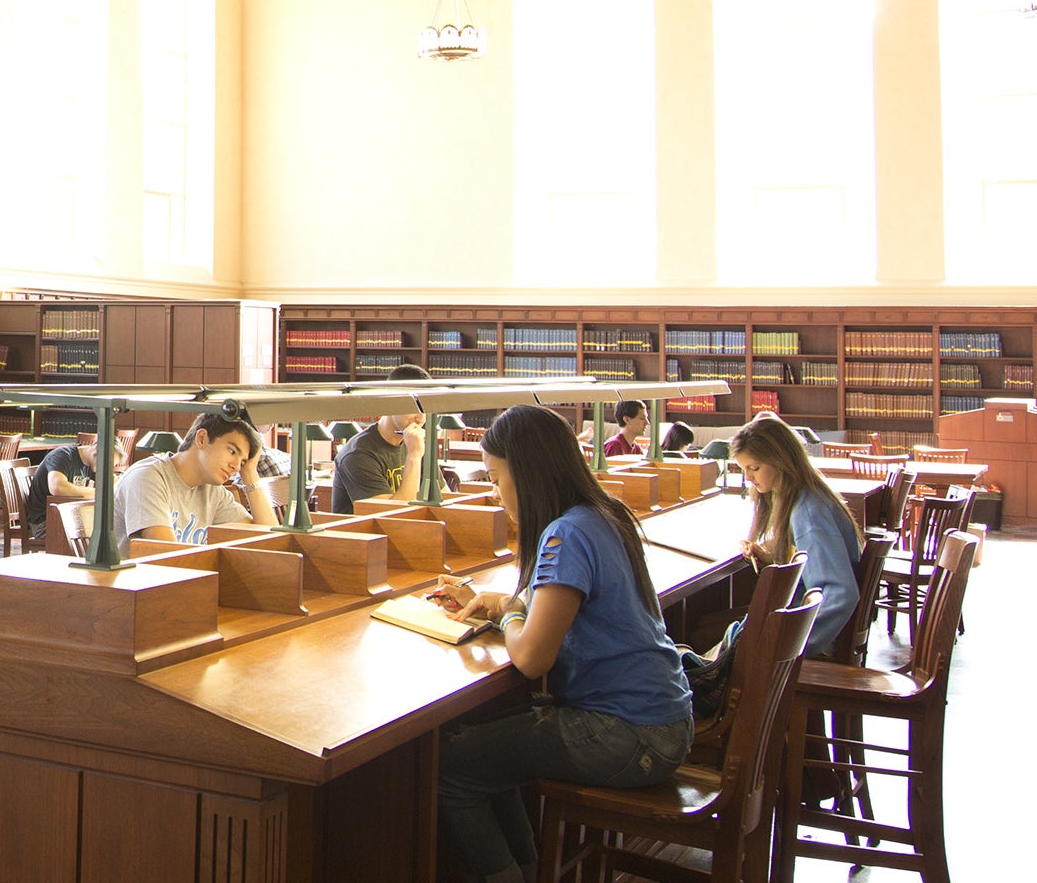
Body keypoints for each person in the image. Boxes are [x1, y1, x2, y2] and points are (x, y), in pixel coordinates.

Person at [430, 405, 693, 883]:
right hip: (662, 719)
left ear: (526, 474)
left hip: (628, 733)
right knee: (486, 740)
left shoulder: (564, 535)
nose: (494, 491)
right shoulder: (601, 514)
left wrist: (509, 612)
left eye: (495, 477)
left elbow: (531, 658)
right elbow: (554, 611)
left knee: (449, 768)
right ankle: (527, 872)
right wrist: (508, 605)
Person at [729, 413, 862, 656]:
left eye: (754, 468)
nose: (748, 477)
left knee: (704, 634)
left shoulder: (809, 512)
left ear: (780, 461)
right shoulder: (801, 497)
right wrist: (772, 555)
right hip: (801, 623)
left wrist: (784, 649)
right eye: (744, 469)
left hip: (809, 638)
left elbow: (840, 594)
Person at [114, 413, 260, 544]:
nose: (236, 467)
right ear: (202, 439)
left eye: (242, 462)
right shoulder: (148, 478)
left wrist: (250, 473)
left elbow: (266, 542)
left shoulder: (212, 490)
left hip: (186, 572)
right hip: (145, 573)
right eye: (232, 451)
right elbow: (168, 557)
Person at [330, 363, 432, 512]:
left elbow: (443, 496)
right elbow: (393, 517)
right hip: (365, 533)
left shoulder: (414, 443)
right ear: (390, 402)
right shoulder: (358, 455)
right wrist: (414, 457)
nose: (421, 418)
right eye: (415, 408)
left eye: (426, 409)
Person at [25, 439, 96, 541]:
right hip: (45, 523)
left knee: (104, 532)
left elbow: (113, 483)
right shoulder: (62, 456)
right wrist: (97, 494)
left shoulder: (92, 463)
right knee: (93, 538)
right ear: (97, 450)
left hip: (68, 519)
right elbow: (57, 488)